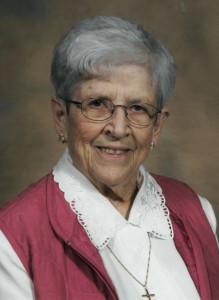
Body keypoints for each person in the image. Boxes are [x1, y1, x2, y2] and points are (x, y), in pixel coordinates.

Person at [0, 16, 218, 300]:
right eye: (97, 103)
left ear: (157, 126)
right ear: (61, 117)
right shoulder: (12, 240)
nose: (118, 128)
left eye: (138, 107)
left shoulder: (198, 211)